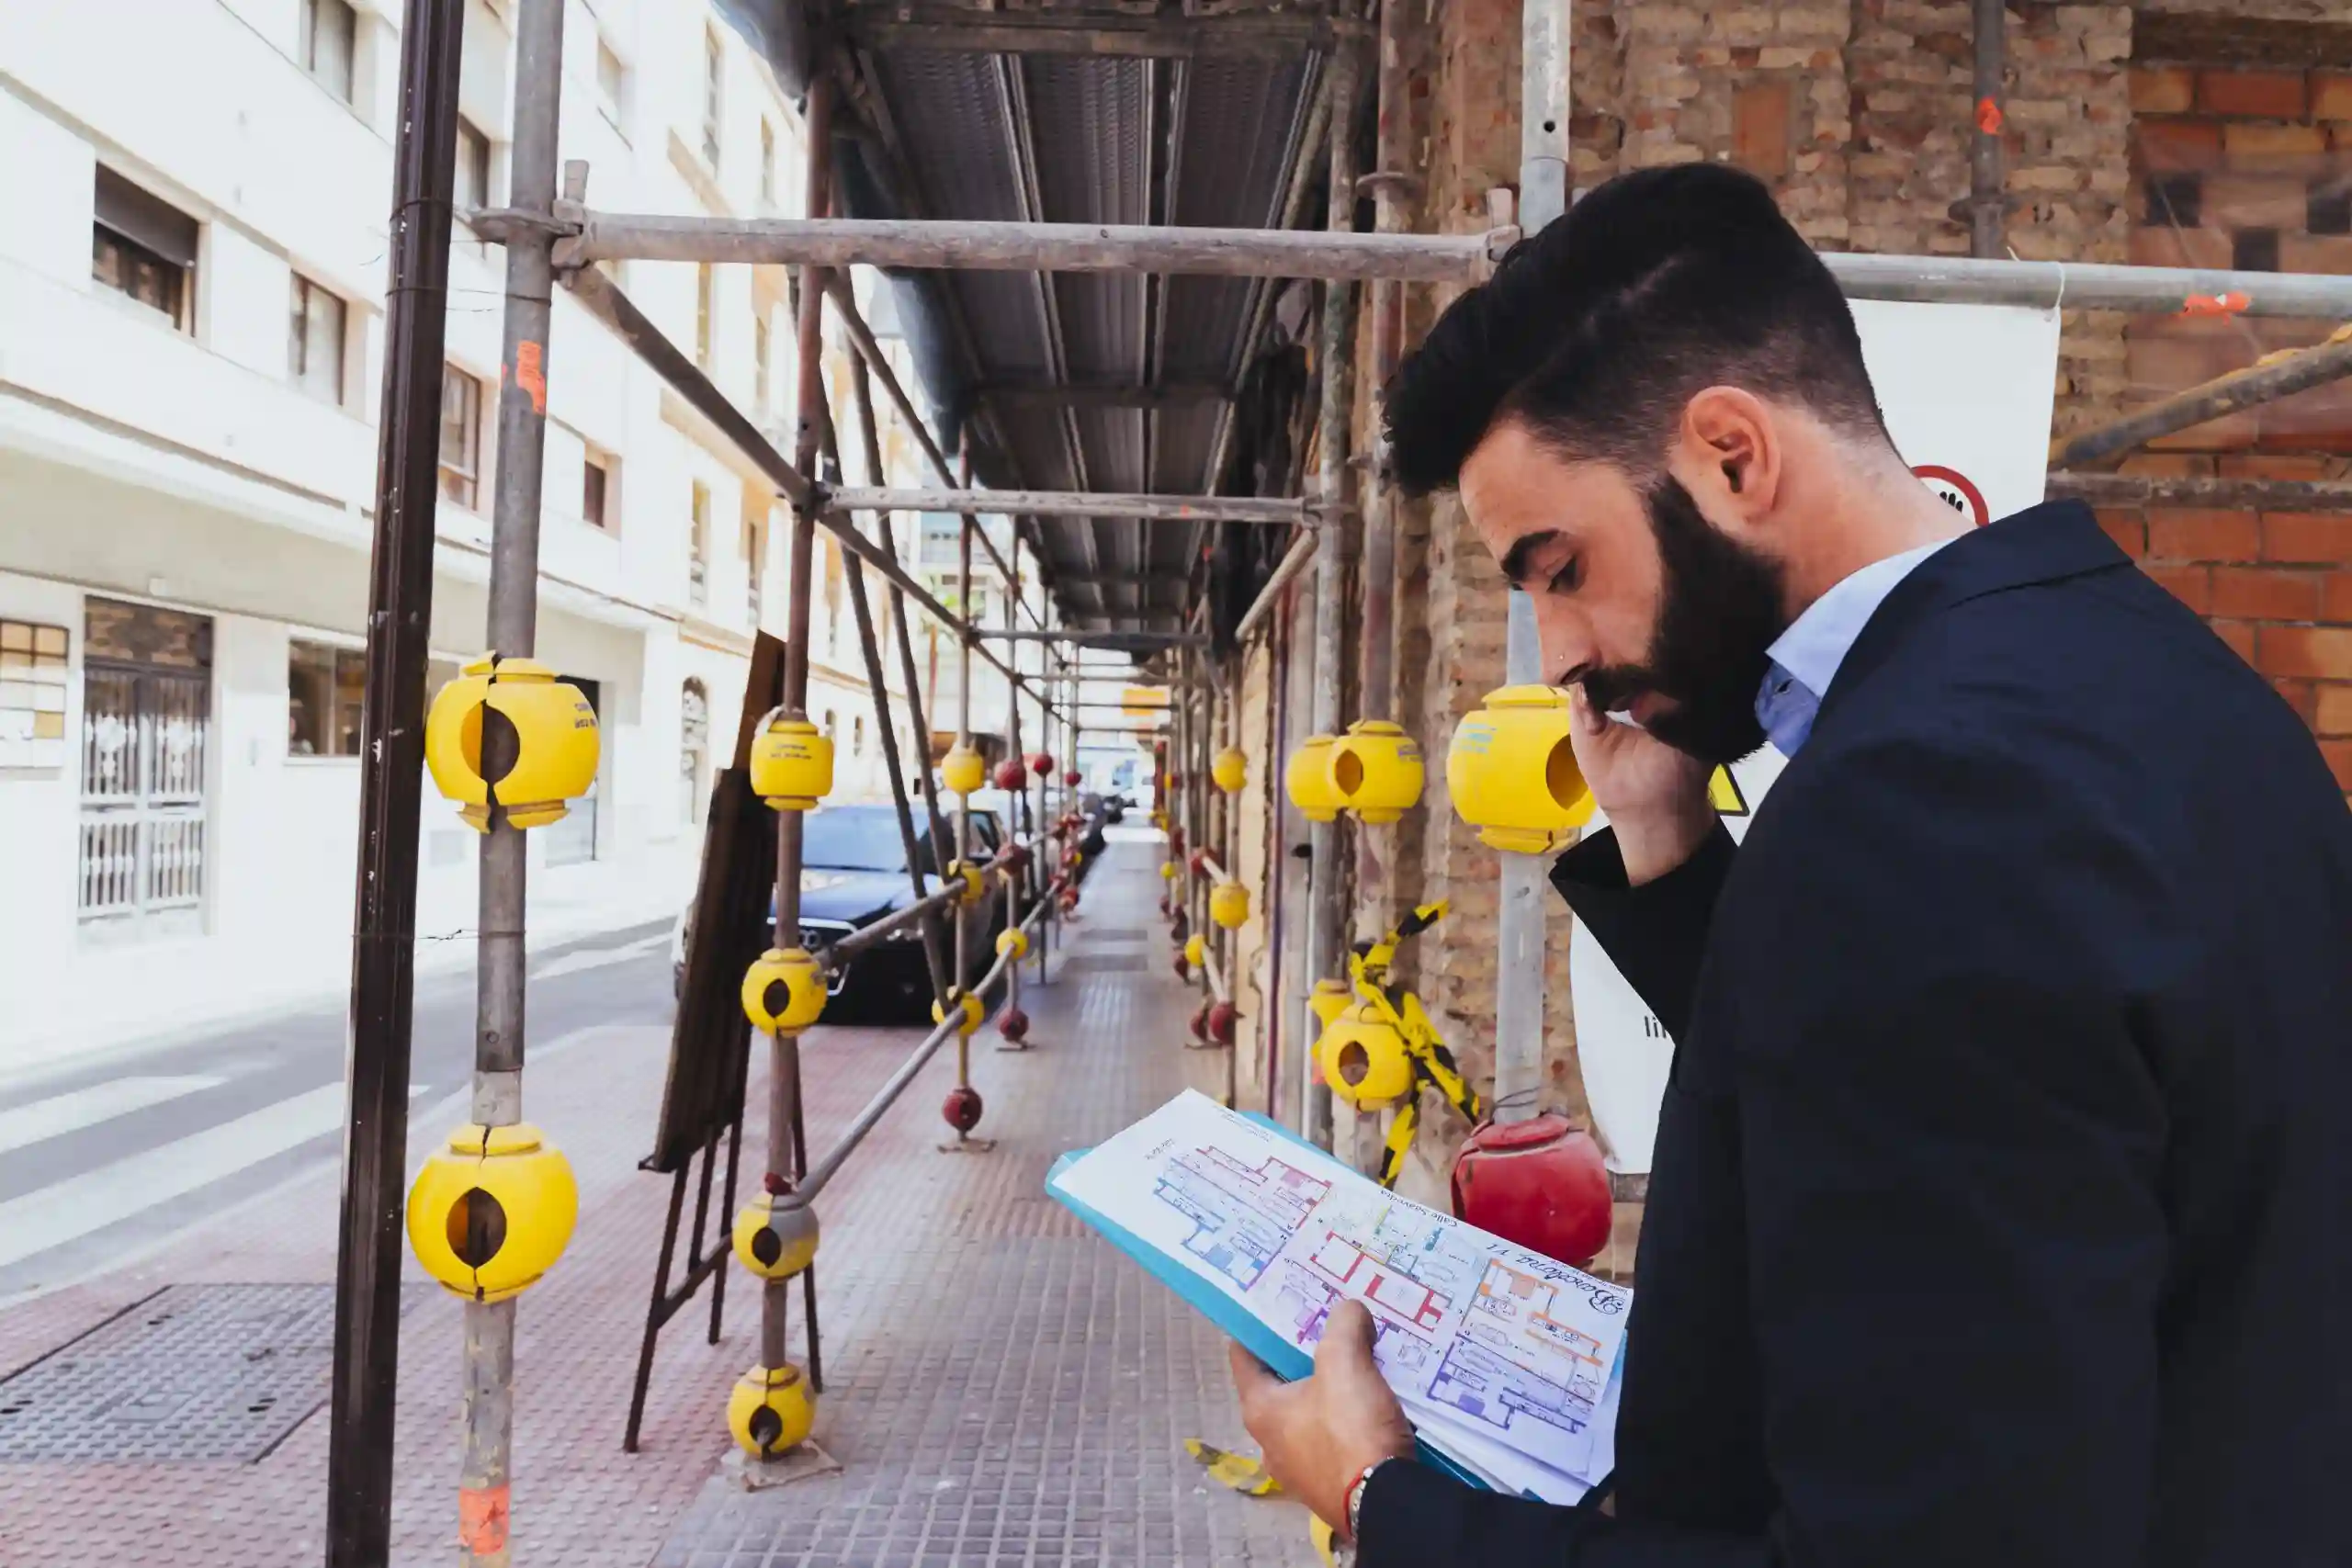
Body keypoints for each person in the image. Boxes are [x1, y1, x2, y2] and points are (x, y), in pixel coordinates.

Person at [1228, 162, 2352, 1566]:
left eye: (1561, 566)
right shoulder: (2131, 665)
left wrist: (1388, 1498)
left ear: (1733, 456)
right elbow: (1938, 1113)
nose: (1563, 654)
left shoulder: (1922, 804)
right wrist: (1668, 845)